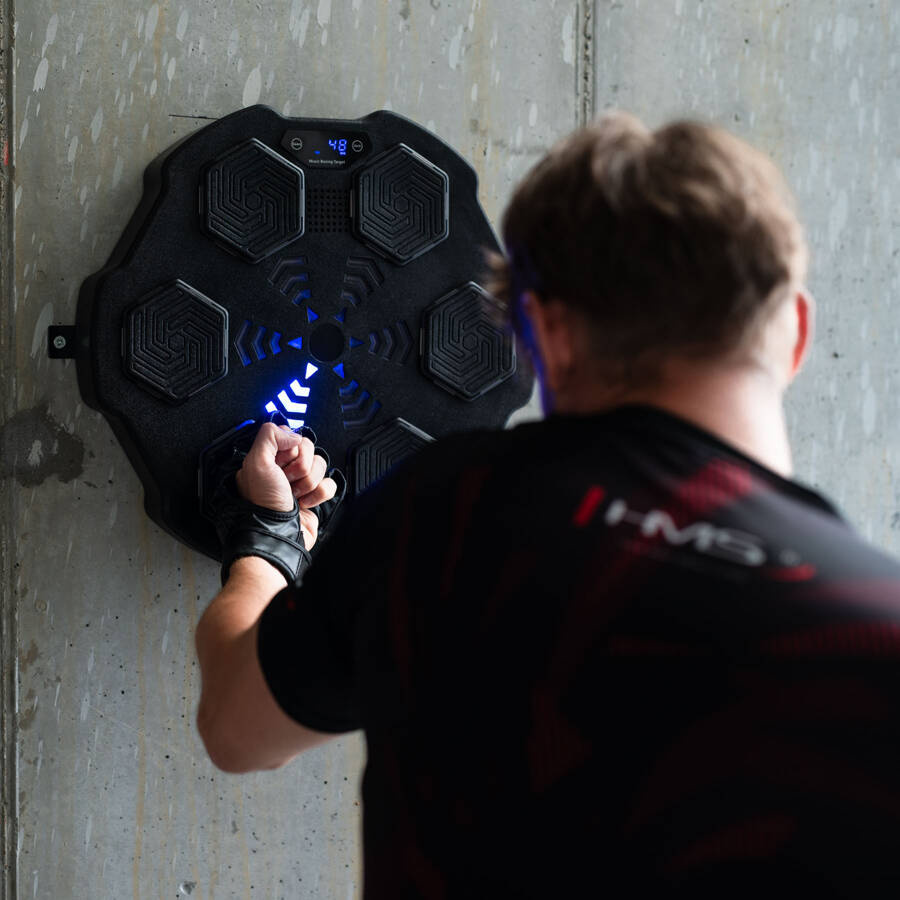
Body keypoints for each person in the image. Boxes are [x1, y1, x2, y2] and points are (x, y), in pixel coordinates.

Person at [195, 112, 900, 897]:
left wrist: (268, 541)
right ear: (796, 331)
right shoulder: (877, 623)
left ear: (546, 332)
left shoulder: (450, 513)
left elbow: (236, 727)